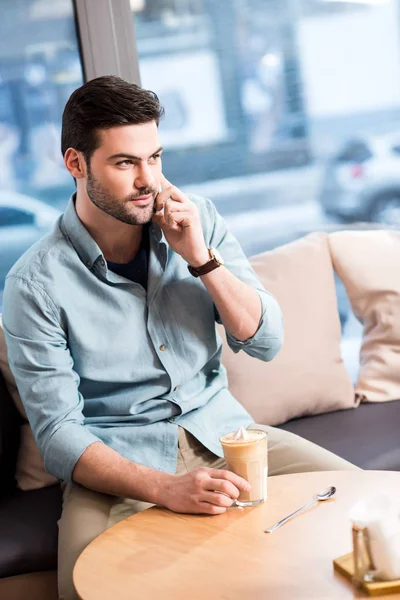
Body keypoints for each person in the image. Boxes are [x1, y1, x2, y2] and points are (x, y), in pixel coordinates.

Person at [2, 76, 358, 600]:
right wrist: (165, 488)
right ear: (76, 164)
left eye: (156, 158)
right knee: (83, 587)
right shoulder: (34, 283)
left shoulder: (199, 221)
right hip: (119, 465)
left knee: (370, 504)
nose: (149, 180)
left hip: (227, 437)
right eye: (126, 163)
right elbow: (58, 435)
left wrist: (201, 259)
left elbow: (266, 340)